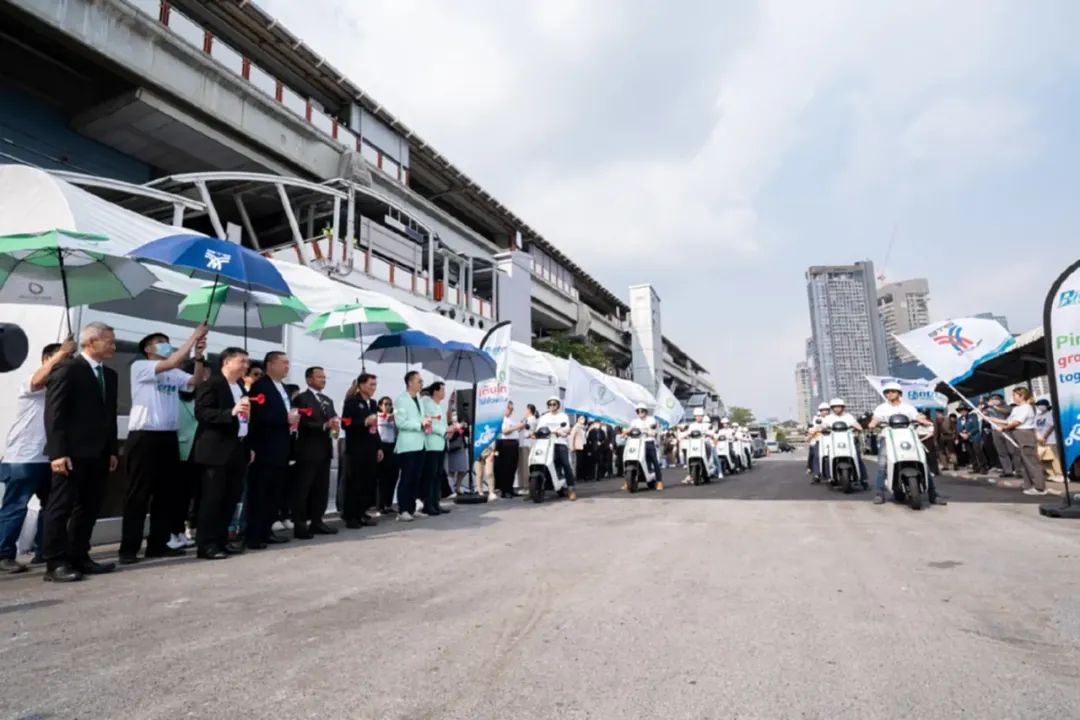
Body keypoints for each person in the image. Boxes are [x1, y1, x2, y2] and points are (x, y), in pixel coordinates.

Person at [118, 324, 209, 564]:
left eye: (167, 341)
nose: (165, 345)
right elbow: (173, 361)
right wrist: (194, 337)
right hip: (144, 436)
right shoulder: (141, 367)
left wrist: (199, 357)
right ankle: (128, 549)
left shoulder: (174, 373)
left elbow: (196, 381)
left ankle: (157, 545)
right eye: (160, 341)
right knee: (138, 494)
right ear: (148, 349)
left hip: (168, 437)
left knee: (166, 494)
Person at [40, 322, 121, 582]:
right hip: (71, 453)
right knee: (60, 506)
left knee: (89, 507)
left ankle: (79, 556)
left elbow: (109, 416)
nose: (113, 346)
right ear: (90, 342)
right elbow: (54, 413)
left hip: (99, 453)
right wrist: (57, 453)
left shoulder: (110, 375)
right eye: (109, 341)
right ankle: (55, 562)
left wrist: (111, 450)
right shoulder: (68, 368)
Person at [0, 340, 75, 574]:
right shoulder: (31, 382)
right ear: (46, 360)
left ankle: (45, 551)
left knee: (53, 507)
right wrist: (62, 353)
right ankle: (4, 555)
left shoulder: (64, 388)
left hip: (51, 458)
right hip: (24, 458)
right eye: (62, 360)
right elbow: (38, 380)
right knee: (16, 507)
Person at [192, 347, 251, 560]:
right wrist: (230, 412)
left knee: (230, 498)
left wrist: (248, 445)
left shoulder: (241, 387)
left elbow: (244, 419)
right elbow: (202, 412)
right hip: (215, 450)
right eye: (242, 361)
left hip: (237, 448)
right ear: (227, 362)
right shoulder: (213, 383)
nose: (246, 365)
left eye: (247, 362)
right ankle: (206, 544)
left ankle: (221, 540)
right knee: (212, 499)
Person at [245, 351, 298, 548]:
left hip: (282, 446)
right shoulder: (260, 386)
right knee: (260, 492)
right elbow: (258, 415)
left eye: (288, 363)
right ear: (270, 364)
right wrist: (285, 419)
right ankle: (254, 535)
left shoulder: (283, 387)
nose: (287, 367)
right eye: (283, 363)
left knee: (274, 492)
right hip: (264, 447)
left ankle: (266, 530)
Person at [867, 381, 945, 506]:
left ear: (899, 393)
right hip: (888, 437)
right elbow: (875, 418)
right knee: (882, 465)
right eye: (887, 392)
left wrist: (924, 420)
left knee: (922, 462)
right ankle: (879, 494)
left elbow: (917, 416)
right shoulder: (881, 408)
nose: (890, 394)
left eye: (893, 391)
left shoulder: (907, 407)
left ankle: (933, 494)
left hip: (908, 436)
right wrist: (873, 423)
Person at [291, 366, 340, 538]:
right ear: (309, 379)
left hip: (325, 449)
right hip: (307, 450)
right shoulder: (301, 398)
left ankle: (317, 521)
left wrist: (334, 429)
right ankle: (300, 524)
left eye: (324, 377)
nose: (323, 380)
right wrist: (323, 426)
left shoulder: (327, 400)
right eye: (319, 377)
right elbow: (300, 422)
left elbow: (332, 420)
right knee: (303, 488)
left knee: (321, 489)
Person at [987, 387, 1047, 495]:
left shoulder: (1026, 408)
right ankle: (1028, 485)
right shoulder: (1016, 409)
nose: (1013, 397)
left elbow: (1016, 422)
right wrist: (992, 419)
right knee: (1023, 462)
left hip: (1025, 435)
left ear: (1022, 396)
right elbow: (1008, 421)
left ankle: (1039, 487)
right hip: (1016, 434)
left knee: (1031, 461)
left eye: (1014, 395)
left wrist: (1003, 429)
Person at [341, 372, 380, 528]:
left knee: (367, 482)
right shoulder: (352, 402)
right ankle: (350, 516)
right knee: (354, 483)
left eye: (375, 385)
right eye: (371, 384)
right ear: (362, 385)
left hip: (370, 448)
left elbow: (375, 428)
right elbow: (345, 423)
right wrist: (364, 422)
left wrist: (378, 447)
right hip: (356, 448)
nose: (373, 388)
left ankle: (361, 512)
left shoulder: (373, 403)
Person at [393, 370, 426, 521]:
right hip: (407, 445)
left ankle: (412, 508)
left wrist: (426, 423)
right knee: (406, 478)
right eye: (419, 381)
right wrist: (419, 424)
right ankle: (403, 510)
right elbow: (400, 422)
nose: (421, 384)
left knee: (416, 478)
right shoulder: (401, 399)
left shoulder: (419, 398)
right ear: (410, 383)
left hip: (420, 443)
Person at [536, 396, 577, 501]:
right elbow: (538, 429)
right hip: (546, 444)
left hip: (560, 443)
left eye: (554, 404)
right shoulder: (544, 417)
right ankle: (536, 489)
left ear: (558, 405)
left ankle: (571, 489)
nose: (552, 406)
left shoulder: (563, 416)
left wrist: (561, 432)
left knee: (565, 464)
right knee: (547, 465)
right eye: (550, 404)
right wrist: (535, 433)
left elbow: (566, 428)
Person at [418, 381, 449, 516]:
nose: (444, 392)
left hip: (441, 444)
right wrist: (443, 430)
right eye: (442, 390)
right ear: (435, 391)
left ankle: (436, 503)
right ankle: (428, 504)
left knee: (438, 475)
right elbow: (428, 423)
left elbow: (443, 424)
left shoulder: (439, 405)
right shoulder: (426, 402)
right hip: (431, 444)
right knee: (430, 476)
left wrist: (449, 430)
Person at [628, 403, 664, 488]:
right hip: (638, 443)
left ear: (646, 412)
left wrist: (650, 432)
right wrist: (625, 433)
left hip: (649, 442)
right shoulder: (634, 421)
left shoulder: (651, 420)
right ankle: (627, 481)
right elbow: (630, 429)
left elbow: (654, 429)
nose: (640, 413)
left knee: (654, 461)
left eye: (642, 411)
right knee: (632, 459)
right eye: (638, 411)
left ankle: (659, 481)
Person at [495, 402, 523, 499]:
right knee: (506, 467)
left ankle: (510, 488)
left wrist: (520, 427)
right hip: (506, 443)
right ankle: (505, 490)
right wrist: (517, 426)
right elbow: (505, 431)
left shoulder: (510, 420)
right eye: (509, 409)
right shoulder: (501, 419)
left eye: (512, 409)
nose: (511, 411)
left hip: (513, 443)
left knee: (512, 467)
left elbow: (513, 430)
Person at [375, 396, 398, 514]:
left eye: (390, 404)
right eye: (385, 404)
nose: (388, 406)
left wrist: (395, 420)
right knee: (383, 477)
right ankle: (380, 505)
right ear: (380, 405)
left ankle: (389, 504)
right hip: (382, 446)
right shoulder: (377, 417)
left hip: (392, 446)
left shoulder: (393, 417)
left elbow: (397, 432)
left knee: (393, 476)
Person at [984, 393, 1015, 477]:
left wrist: (994, 407)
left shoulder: (1007, 407)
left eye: (996, 399)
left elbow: (1007, 412)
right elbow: (986, 419)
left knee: (1012, 451)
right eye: (992, 399)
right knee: (1001, 452)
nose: (994, 400)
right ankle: (1008, 471)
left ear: (1001, 399)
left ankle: (1018, 470)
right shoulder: (989, 409)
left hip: (1006, 430)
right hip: (995, 431)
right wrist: (984, 412)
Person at [1034, 397, 1062, 481]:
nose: (1040, 406)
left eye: (1042, 405)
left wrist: (1045, 437)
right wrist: (1038, 437)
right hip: (1039, 440)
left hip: (1050, 440)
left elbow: (1052, 426)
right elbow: (1034, 428)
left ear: (1047, 406)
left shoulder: (1049, 415)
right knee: (1043, 458)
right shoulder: (1037, 416)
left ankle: (1059, 474)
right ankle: (1051, 474)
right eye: (1038, 405)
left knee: (1054, 458)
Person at [957, 405, 988, 474]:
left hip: (974, 437)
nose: (963, 412)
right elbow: (958, 429)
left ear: (967, 410)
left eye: (964, 410)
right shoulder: (959, 419)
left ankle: (984, 467)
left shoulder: (973, 417)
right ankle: (975, 468)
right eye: (961, 410)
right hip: (965, 438)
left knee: (978, 452)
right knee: (971, 453)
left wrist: (968, 434)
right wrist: (961, 434)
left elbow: (976, 427)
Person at [445, 408, 469, 495]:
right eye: (453, 415)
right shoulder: (449, 424)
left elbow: (465, 433)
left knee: (462, 469)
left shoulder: (459, 423)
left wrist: (463, 426)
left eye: (455, 414)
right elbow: (449, 437)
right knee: (452, 470)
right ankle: (450, 489)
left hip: (461, 447)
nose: (454, 416)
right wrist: (455, 428)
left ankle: (457, 487)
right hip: (453, 448)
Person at [517, 404, 538, 491]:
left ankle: (526, 487)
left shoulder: (531, 419)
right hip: (523, 444)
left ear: (529, 410)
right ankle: (523, 486)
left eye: (526, 409)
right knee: (522, 467)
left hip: (526, 445)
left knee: (525, 467)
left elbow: (527, 429)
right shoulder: (527, 419)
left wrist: (521, 424)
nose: (525, 411)